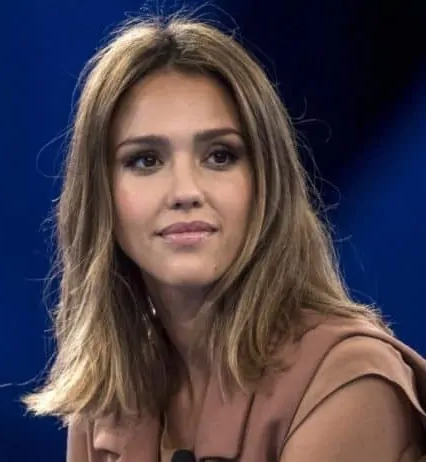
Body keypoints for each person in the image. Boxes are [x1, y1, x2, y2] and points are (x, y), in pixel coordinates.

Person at [22, 12, 426, 462]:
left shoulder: (347, 382)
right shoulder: (110, 402)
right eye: (145, 160)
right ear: (100, 196)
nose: (186, 192)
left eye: (219, 156)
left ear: (266, 184)